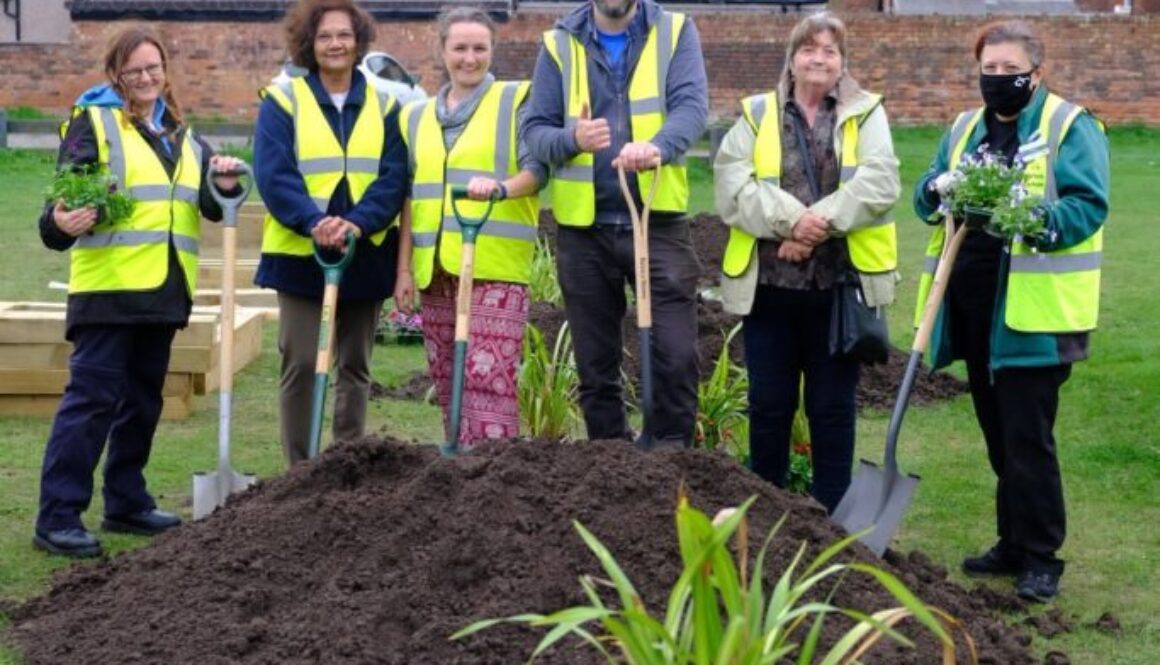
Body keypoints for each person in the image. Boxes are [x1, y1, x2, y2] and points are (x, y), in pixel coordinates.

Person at [914, 20, 1109, 602]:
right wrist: (937, 189)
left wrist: (1036, 220)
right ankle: (1012, 541)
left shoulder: (1069, 126)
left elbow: (1087, 205)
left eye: (1010, 69)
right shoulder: (964, 127)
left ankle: (1042, 556)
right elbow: (926, 192)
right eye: (989, 69)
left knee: (1028, 437)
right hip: (973, 304)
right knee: (998, 434)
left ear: (1037, 72)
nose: (998, 79)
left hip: (1033, 311)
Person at [34, 27, 244, 557]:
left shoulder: (183, 134)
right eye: (135, 70)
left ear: (165, 71)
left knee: (143, 403)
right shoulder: (94, 124)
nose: (146, 78)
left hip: (164, 291)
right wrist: (62, 221)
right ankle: (57, 516)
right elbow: (60, 210)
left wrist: (223, 181)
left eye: (154, 68)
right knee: (91, 404)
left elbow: (218, 206)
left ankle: (126, 500)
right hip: (108, 292)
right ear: (117, 74)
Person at [713, 12, 900, 513]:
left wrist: (815, 226)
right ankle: (767, 508)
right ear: (792, 59)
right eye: (809, 49)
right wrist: (792, 223)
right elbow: (732, 189)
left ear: (843, 63)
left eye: (831, 51)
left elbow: (880, 184)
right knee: (769, 407)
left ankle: (831, 516)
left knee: (832, 409)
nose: (820, 58)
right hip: (770, 289)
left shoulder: (867, 113)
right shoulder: (756, 114)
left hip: (837, 289)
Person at [523, 0, 708, 449]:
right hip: (584, 230)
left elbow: (691, 107)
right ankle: (611, 465)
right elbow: (534, 130)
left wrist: (658, 146)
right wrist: (572, 139)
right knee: (595, 364)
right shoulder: (559, 43)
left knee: (676, 354)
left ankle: (670, 456)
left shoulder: (675, 32)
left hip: (657, 221)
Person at [254, 0, 407, 465]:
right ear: (309, 44)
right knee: (300, 362)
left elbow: (394, 176)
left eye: (344, 35)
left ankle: (346, 462)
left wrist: (358, 222)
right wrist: (314, 222)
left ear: (359, 41)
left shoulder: (386, 105)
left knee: (355, 366)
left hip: (366, 251)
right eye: (325, 36)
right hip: (302, 253)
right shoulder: (282, 102)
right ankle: (301, 469)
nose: (336, 44)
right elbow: (273, 173)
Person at [395, 8, 546, 448]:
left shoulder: (517, 101)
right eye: (459, 47)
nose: (469, 58)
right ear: (442, 50)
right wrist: (403, 269)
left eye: (479, 48)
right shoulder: (417, 116)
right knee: (448, 382)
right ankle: (458, 480)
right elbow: (410, 195)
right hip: (435, 272)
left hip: (494, 268)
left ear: (492, 51)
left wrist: (500, 189)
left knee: (489, 380)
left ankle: (492, 477)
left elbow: (538, 171)